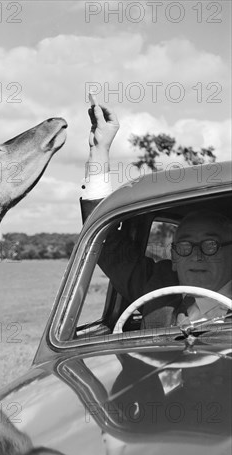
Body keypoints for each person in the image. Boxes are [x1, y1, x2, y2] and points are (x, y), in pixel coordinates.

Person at [80, 95, 232, 328]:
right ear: (173, 259)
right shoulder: (159, 288)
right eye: (184, 246)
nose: (196, 255)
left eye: (210, 245)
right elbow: (106, 244)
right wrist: (100, 149)